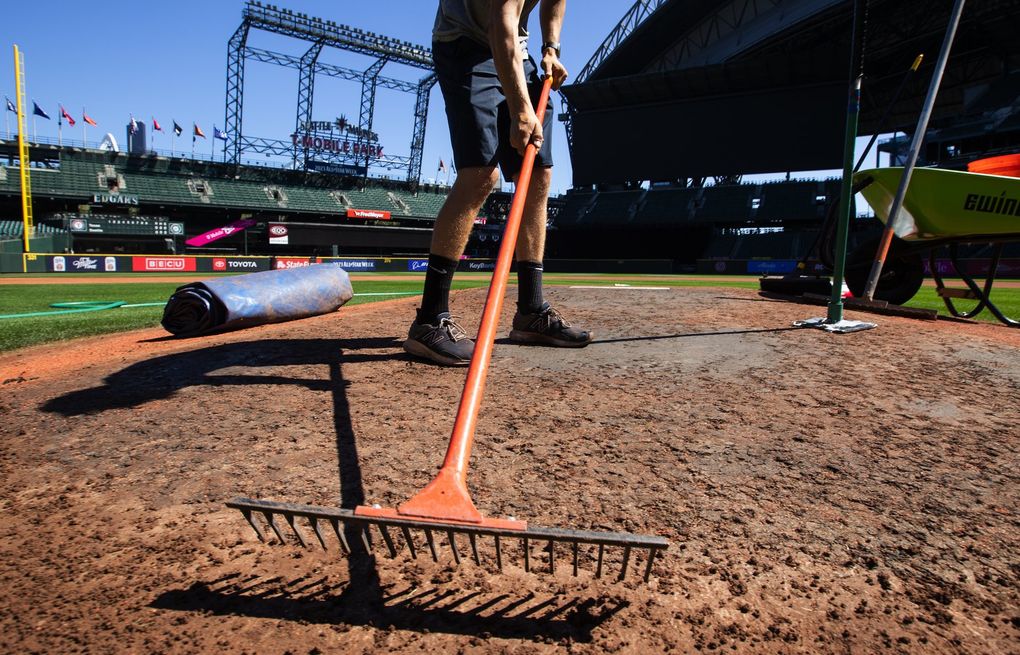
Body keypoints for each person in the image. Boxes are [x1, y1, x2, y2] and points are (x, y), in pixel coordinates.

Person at [404, 0, 592, 366]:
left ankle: (531, 312)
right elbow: (501, 22)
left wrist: (551, 49)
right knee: (481, 175)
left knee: (538, 173)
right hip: (465, 44)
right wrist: (522, 111)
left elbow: (555, 2)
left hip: (515, 51)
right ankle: (429, 320)